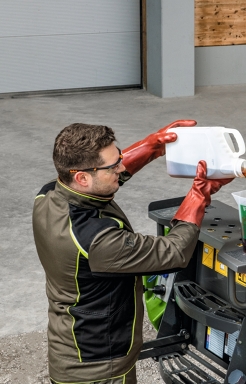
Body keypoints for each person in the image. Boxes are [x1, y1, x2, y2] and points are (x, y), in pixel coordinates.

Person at [32, 121, 233, 384]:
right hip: (99, 368)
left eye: (120, 158)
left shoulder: (49, 194)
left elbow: (104, 180)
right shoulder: (96, 239)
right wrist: (199, 194)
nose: (122, 167)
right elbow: (173, 252)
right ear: (82, 177)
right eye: (113, 165)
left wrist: (153, 146)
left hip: (72, 346)